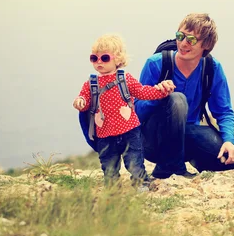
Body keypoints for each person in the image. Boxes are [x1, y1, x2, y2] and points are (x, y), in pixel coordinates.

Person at [135, 13, 234, 179]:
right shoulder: (155, 64)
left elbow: (224, 111)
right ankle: (171, 169)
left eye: (191, 40)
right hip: (154, 140)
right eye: (180, 36)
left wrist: (228, 140)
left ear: (206, 44)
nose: (183, 43)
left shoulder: (212, 68)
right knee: (177, 100)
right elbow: (137, 113)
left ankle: (199, 161)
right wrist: (157, 96)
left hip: (188, 136)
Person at [73, 34, 175, 187]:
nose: (99, 62)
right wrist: (80, 102)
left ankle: (141, 183)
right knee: (108, 163)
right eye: (94, 58)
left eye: (105, 58)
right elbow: (85, 101)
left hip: (129, 130)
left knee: (134, 160)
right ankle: (112, 186)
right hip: (104, 133)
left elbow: (142, 92)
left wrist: (161, 91)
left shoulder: (124, 78)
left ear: (118, 59)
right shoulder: (90, 83)